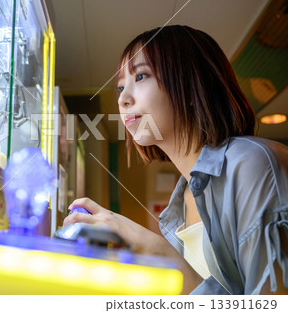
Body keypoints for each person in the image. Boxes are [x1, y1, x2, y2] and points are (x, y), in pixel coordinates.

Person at [63, 25, 288, 295]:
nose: (122, 98)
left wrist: (158, 251)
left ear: (193, 85)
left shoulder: (252, 164)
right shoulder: (178, 207)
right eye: (121, 87)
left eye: (141, 76)